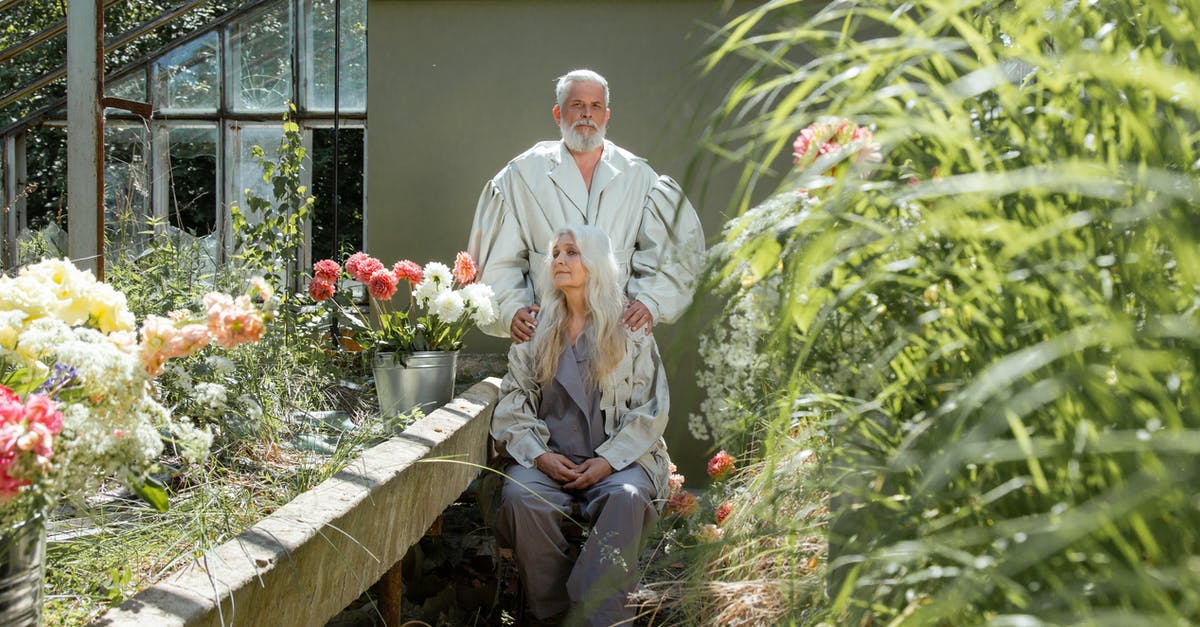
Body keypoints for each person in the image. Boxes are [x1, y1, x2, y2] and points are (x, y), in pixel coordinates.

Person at [491, 224, 671, 626]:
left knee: (627, 496)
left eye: (571, 252)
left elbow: (652, 408)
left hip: (617, 459)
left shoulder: (631, 328)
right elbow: (514, 400)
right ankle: (554, 612)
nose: (560, 260)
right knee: (522, 500)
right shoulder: (534, 328)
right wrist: (540, 457)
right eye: (556, 253)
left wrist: (608, 461)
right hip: (549, 459)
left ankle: (597, 617)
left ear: (595, 262)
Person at [467, 69, 704, 343]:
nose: (586, 114)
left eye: (595, 106)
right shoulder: (520, 176)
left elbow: (676, 255)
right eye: (577, 105)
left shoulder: (639, 177)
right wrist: (511, 310)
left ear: (606, 115)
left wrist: (651, 302)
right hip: (546, 332)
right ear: (558, 113)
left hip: (620, 335)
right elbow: (498, 263)